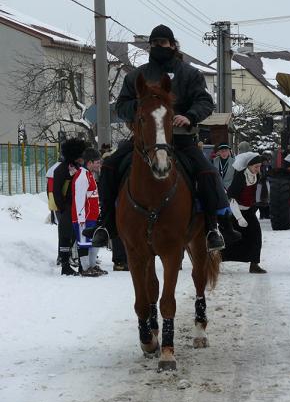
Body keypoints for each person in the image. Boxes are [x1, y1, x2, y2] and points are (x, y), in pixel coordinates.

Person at [85, 24, 240, 251]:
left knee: (207, 172)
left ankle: (214, 227)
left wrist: (189, 116)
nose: (159, 46)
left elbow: (206, 102)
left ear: (172, 45)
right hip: (144, 140)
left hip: (181, 140)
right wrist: (143, 108)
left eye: (163, 43)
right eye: (155, 43)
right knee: (109, 166)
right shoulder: (137, 76)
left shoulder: (190, 73)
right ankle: (105, 223)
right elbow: (121, 105)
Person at [223, 152, 267, 273]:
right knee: (229, 238)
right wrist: (239, 218)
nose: (258, 170)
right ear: (248, 166)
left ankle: (254, 264)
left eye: (259, 167)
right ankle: (216, 261)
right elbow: (231, 198)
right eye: (256, 167)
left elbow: (255, 194)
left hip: (249, 211)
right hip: (235, 212)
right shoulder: (240, 177)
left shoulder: (256, 176)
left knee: (256, 235)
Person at [53, 138, 88, 276]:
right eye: (80, 155)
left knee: (74, 236)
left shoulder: (79, 168)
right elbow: (56, 191)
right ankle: (65, 265)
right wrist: (63, 208)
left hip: (77, 207)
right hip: (67, 208)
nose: (82, 158)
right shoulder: (61, 170)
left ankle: (78, 263)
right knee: (65, 236)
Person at [71, 148, 106, 277]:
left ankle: (92, 266)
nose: (99, 165)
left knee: (93, 241)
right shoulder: (81, 176)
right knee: (84, 242)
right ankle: (85, 268)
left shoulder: (89, 175)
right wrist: (81, 218)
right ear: (89, 162)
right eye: (97, 162)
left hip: (92, 216)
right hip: (84, 218)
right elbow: (79, 199)